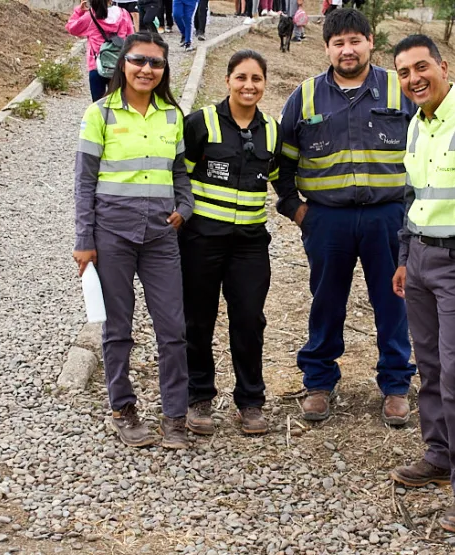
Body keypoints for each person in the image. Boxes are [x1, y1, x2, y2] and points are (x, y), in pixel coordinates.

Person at [274, 9, 417, 425]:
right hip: (327, 220)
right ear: (326, 48)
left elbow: (426, 152)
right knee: (326, 301)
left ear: (371, 41)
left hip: (388, 218)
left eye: (355, 40)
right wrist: (296, 209)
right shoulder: (305, 96)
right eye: (338, 43)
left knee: (393, 302)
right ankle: (318, 382)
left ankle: (395, 385)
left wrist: (412, 214)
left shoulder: (398, 89)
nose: (347, 49)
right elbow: (282, 161)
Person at [388, 35, 455, 535]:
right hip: (423, 260)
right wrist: (406, 257)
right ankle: (439, 453)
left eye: (421, 67)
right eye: (405, 72)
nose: (414, 79)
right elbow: (414, 195)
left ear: (444, 66)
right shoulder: (416, 124)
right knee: (428, 365)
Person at [73, 32, 194, 450]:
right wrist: (84, 239)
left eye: (156, 63)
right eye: (139, 60)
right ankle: (123, 408)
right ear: (123, 63)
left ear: (164, 70)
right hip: (112, 234)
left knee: (173, 328)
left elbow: (180, 172)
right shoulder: (100, 114)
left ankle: (175, 417)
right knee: (117, 329)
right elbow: (84, 182)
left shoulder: (172, 116)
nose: (147, 69)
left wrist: (186, 206)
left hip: (161, 235)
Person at [182, 50, 281, 436]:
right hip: (201, 241)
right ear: (227, 80)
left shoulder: (272, 130)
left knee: (249, 319)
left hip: (249, 244)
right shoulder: (201, 124)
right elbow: (181, 178)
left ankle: (251, 401)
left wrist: (309, 213)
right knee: (198, 318)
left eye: (256, 79)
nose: (248, 86)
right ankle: (199, 395)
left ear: (264, 84)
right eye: (241, 77)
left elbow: (278, 178)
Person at [66, 0, 134, 101]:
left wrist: (79, 11)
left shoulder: (90, 16)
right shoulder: (124, 14)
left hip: (96, 65)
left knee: (98, 106)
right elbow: (131, 38)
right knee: (120, 102)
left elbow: (71, 28)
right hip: (119, 65)